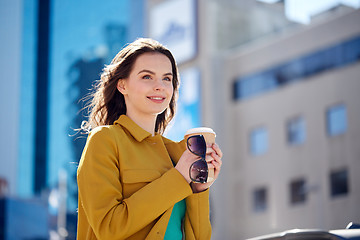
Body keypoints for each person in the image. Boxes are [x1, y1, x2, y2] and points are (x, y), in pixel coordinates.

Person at [77, 38, 223, 240]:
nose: (159, 86)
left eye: (167, 78)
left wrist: (199, 189)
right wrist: (179, 177)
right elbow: (109, 228)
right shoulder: (104, 140)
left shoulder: (177, 153)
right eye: (147, 77)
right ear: (122, 85)